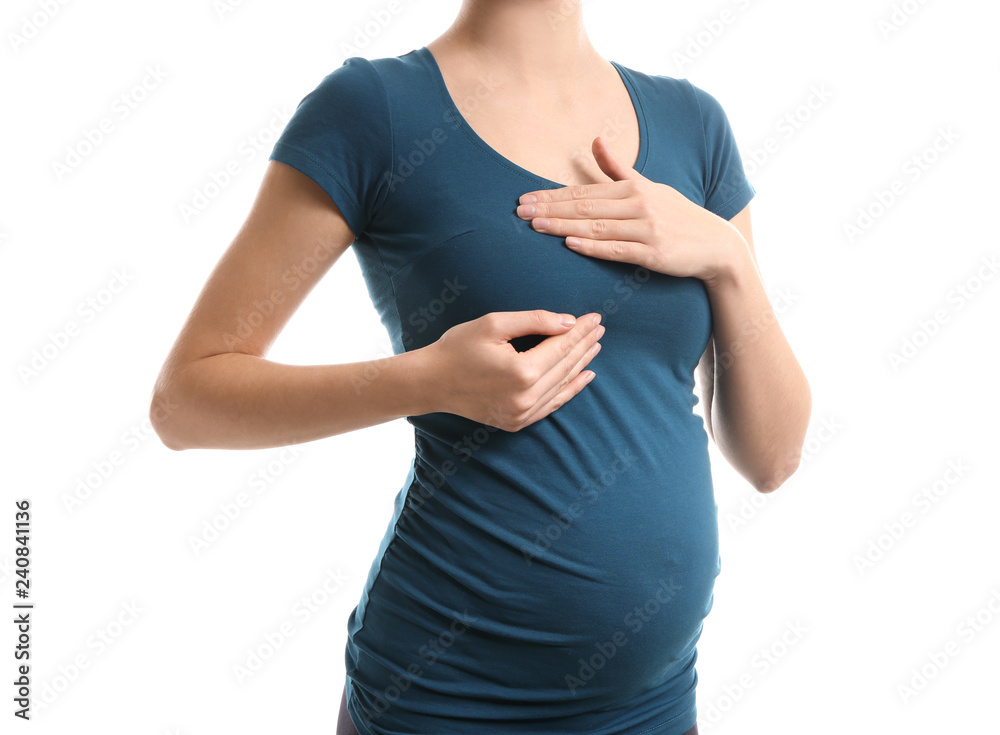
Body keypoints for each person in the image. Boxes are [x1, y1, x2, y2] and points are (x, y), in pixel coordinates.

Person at [150, 1, 811, 733]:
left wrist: (728, 258)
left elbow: (773, 456)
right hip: (446, 699)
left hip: (650, 704)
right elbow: (186, 399)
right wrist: (427, 380)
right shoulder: (375, 111)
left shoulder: (696, 124)